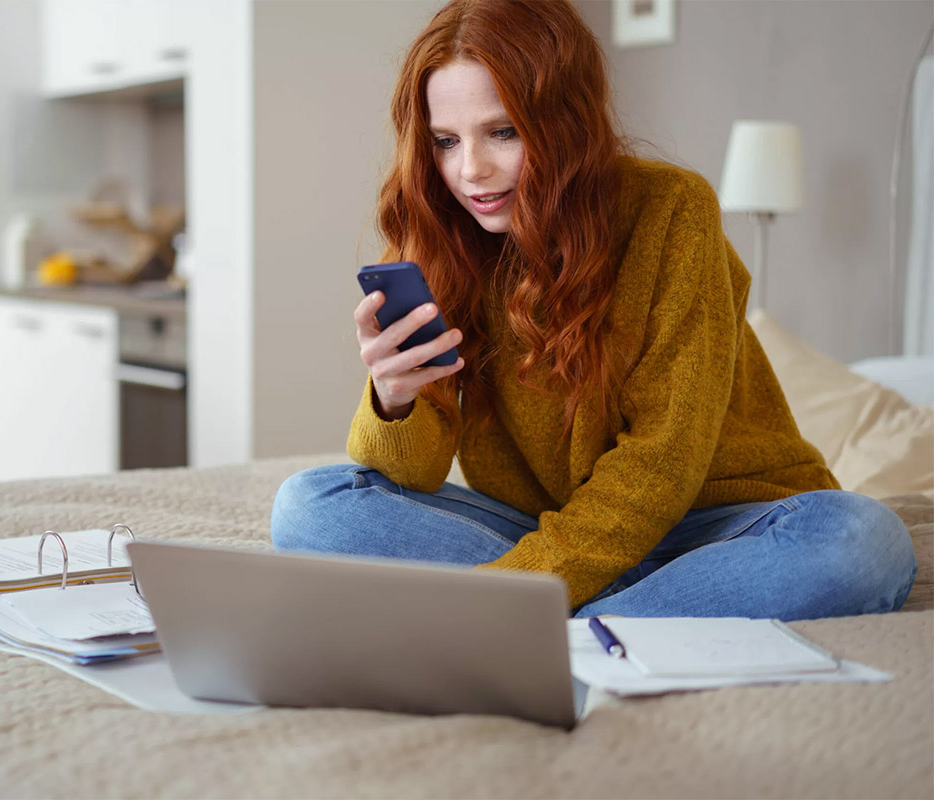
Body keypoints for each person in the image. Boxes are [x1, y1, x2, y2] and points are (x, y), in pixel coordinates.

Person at [270, 0, 916, 620]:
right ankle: (613, 616)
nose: (472, 170)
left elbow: (662, 459)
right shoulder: (443, 236)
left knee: (862, 539)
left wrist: (509, 595)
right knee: (309, 503)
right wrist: (393, 399)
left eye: (503, 132)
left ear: (564, 121)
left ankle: (536, 620)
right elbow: (412, 473)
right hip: (553, 528)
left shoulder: (670, 210)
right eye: (444, 141)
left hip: (713, 527)